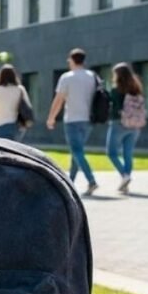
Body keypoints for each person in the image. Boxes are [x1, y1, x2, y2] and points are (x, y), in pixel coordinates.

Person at [47, 48, 100, 195]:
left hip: (72, 120)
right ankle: (70, 182)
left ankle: (91, 181)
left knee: (77, 151)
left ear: (72, 60)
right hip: (88, 120)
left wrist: (51, 117)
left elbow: (59, 100)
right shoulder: (92, 76)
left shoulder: (67, 77)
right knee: (77, 152)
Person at [106, 62, 146, 194]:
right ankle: (125, 183)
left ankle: (125, 175)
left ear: (118, 75)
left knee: (111, 153)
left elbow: (114, 107)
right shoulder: (137, 88)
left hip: (119, 123)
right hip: (135, 125)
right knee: (128, 154)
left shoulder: (116, 90)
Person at [0, 64, 32, 142]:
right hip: (18, 126)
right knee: (15, 150)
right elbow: (28, 106)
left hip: (1, 125)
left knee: (3, 150)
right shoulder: (20, 89)